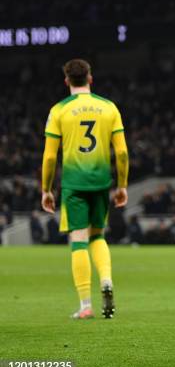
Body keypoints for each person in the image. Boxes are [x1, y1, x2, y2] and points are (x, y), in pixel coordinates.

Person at [41, 59, 129, 319]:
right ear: (90, 78)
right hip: (101, 181)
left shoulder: (58, 110)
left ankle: (86, 305)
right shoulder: (109, 107)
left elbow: (49, 157)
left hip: (74, 184)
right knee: (98, 236)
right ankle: (106, 280)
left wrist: (46, 189)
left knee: (78, 239)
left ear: (66, 81)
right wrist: (122, 185)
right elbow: (122, 152)